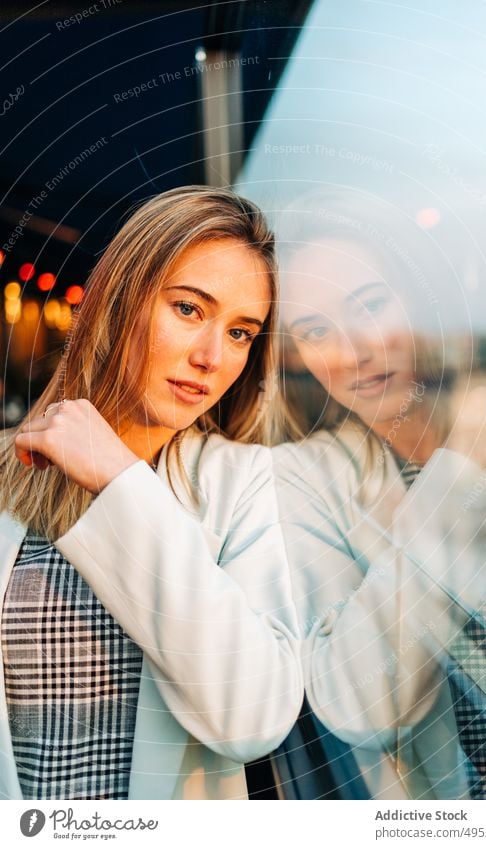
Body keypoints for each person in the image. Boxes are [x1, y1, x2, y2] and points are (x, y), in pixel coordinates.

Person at [0, 185, 303, 801]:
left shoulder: (244, 485)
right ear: (119, 298)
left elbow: (255, 718)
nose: (212, 357)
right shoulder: (10, 467)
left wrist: (120, 481)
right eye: (189, 309)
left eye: (242, 332)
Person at [272, 191, 486, 799]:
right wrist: (464, 471)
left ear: (420, 299)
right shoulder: (313, 480)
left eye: (370, 306)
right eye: (314, 330)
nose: (352, 350)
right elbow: (363, 703)